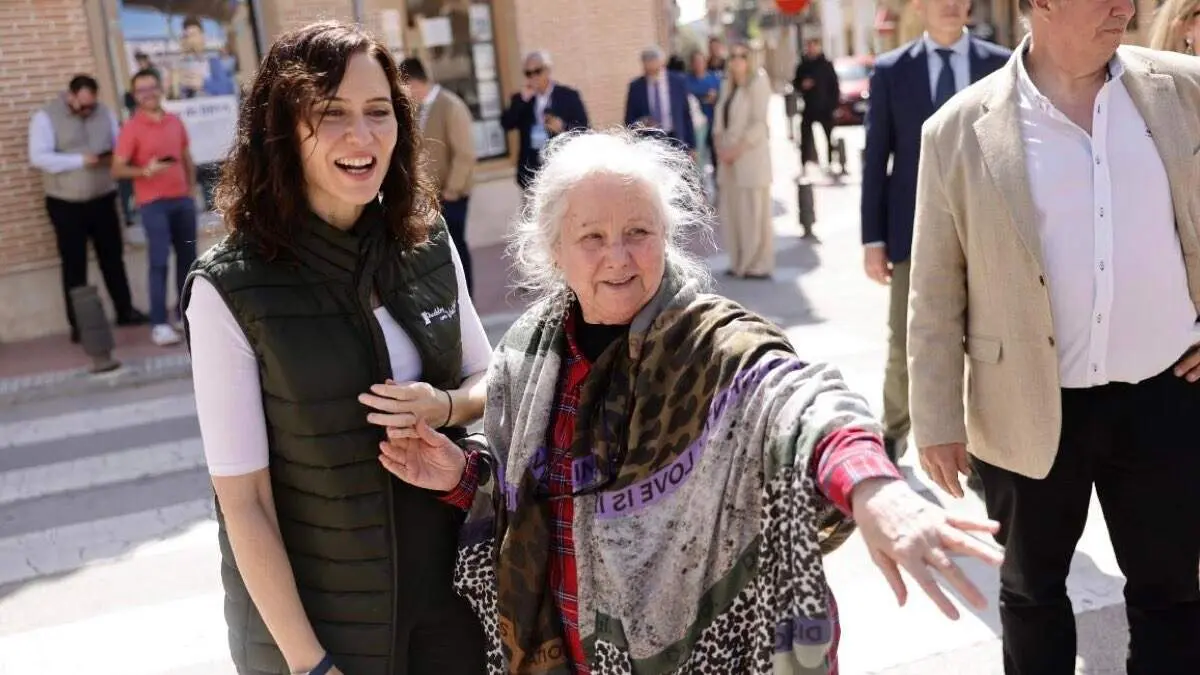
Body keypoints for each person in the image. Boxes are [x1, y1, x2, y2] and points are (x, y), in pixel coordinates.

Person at [373, 129, 1004, 674]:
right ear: (553, 251)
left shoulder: (709, 342)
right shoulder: (528, 356)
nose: (618, 257)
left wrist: (877, 491)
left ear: (667, 238)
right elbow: (527, 501)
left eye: (639, 232)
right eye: (591, 236)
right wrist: (458, 476)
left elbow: (794, 398)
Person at [181, 21, 491, 675]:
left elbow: (490, 381)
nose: (362, 135)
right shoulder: (229, 289)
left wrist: (442, 406)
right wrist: (309, 663)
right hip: (321, 630)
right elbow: (246, 501)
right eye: (331, 114)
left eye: (379, 112)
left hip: (451, 601)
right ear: (283, 131)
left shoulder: (426, 240)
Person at [907, 0, 1200, 670]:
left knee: (1172, 595)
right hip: (1025, 406)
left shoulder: (1184, 90)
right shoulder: (956, 131)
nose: (1124, 7)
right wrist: (936, 418)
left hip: (1165, 396)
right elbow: (935, 292)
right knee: (1033, 594)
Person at [860, 0, 1010, 463]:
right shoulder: (890, 71)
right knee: (907, 338)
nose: (951, 4)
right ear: (918, 7)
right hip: (912, 231)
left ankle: (984, 446)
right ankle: (895, 428)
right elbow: (877, 160)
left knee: (989, 342)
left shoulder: (1001, 65)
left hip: (987, 230)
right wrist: (873, 239)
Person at [29, 74, 147, 343]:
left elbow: (120, 147)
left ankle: (125, 311)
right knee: (74, 265)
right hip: (65, 203)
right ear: (70, 96)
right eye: (82, 105)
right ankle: (80, 325)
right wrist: (81, 160)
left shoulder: (103, 112)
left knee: (113, 258)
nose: (87, 109)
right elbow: (38, 157)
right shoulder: (46, 117)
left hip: (103, 198)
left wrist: (111, 157)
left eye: (91, 105)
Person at [112, 68, 199, 347]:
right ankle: (159, 323)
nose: (149, 94)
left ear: (160, 88)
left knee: (189, 261)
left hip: (182, 201)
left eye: (152, 88)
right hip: (153, 205)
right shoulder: (131, 128)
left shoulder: (175, 120)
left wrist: (191, 190)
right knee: (159, 263)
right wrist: (144, 172)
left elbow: (186, 156)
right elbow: (117, 169)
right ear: (135, 96)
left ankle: (183, 315)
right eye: (142, 91)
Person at [400, 57, 477, 293]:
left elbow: (465, 153)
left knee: (455, 249)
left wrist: (452, 190)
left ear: (413, 82)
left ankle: (466, 299)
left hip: (450, 196)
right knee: (437, 252)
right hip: (428, 197)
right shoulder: (418, 110)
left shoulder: (451, 106)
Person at [714, 44, 775, 280]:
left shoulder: (758, 82)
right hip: (727, 159)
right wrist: (720, 147)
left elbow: (760, 124)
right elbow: (719, 120)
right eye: (733, 56)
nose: (737, 60)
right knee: (733, 214)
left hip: (750, 157)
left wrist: (736, 150)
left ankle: (757, 264)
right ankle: (739, 262)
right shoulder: (726, 84)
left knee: (754, 213)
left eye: (742, 56)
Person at [500, 50, 589, 191]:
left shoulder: (568, 96)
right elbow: (506, 124)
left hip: (562, 171)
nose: (533, 77)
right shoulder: (521, 99)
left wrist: (563, 127)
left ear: (547, 71)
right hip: (532, 175)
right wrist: (522, 100)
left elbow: (585, 130)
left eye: (537, 71)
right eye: (528, 73)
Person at [624, 46, 697, 152]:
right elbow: (629, 120)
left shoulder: (677, 82)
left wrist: (692, 146)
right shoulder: (636, 87)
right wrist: (642, 122)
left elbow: (686, 115)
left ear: (661, 62)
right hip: (649, 142)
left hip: (675, 138)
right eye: (647, 69)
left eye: (654, 68)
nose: (650, 72)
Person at [792, 38, 840, 172]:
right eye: (809, 46)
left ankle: (831, 162)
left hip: (825, 107)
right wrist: (802, 85)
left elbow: (834, 86)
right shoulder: (803, 65)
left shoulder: (826, 65)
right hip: (809, 107)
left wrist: (833, 105)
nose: (812, 49)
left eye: (814, 46)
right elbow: (795, 84)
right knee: (805, 137)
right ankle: (803, 163)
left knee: (829, 136)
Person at [685, 50, 722, 178]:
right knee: (698, 159)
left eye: (701, 61)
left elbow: (721, 98)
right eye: (695, 62)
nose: (698, 64)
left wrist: (715, 97)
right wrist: (704, 97)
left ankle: (717, 185)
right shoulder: (686, 80)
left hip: (713, 123)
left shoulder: (714, 79)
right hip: (697, 127)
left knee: (716, 157)